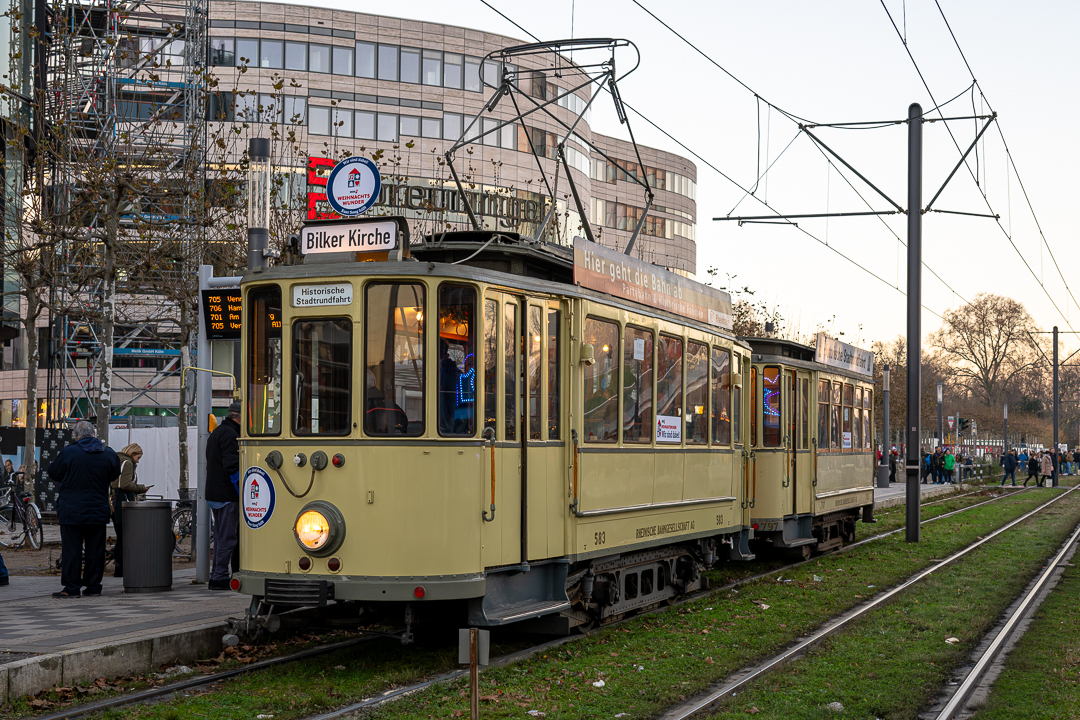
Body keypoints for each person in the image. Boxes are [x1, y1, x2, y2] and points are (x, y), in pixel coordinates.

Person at [47, 421, 121, 598]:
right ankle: (94, 586)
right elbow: (114, 473)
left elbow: (54, 472)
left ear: (75, 436)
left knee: (72, 549)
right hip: (97, 509)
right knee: (95, 550)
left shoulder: (69, 452)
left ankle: (71, 588)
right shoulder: (108, 453)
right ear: (94, 434)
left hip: (72, 509)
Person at [206, 401, 241, 590]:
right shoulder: (231, 434)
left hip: (215, 493)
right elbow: (233, 466)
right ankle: (220, 576)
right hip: (227, 494)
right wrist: (242, 492)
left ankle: (216, 576)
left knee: (220, 537)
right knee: (227, 538)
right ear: (239, 417)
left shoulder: (217, 432)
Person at [110, 443, 151, 579]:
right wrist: (140, 488)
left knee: (120, 536)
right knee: (125, 537)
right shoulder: (128, 463)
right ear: (133, 454)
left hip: (113, 503)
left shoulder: (116, 459)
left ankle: (119, 567)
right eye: (138, 457)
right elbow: (125, 485)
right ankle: (120, 567)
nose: (138, 461)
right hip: (123, 504)